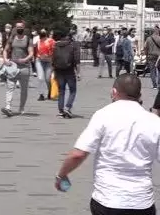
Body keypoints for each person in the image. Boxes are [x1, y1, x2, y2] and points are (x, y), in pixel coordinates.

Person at [55, 74, 160, 215]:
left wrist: (61, 175)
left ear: (113, 92)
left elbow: (78, 154)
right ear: (139, 95)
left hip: (108, 199)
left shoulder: (103, 115)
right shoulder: (154, 122)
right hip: (141, 202)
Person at [1, 21, 33, 117]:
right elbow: (5, 50)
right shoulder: (12, 38)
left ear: (24, 28)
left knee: (24, 89)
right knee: (10, 87)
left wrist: (25, 59)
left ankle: (21, 108)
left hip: (24, 67)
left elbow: (31, 53)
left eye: (21, 27)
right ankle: (8, 107)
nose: (19, 28)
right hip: (13, 66)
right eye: (17, 27)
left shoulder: (28, 39)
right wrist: (5, 59)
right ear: (15, 28)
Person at [52, 30, 81, 118]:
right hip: (69, 70)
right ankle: (67, 107)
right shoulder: (73, 45)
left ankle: (61, 111)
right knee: (73, 90)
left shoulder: (56, 45)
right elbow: (77, 60)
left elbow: (53, 59)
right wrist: (78, 73)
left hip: (58, 70)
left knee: (61, 91)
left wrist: (53, 70)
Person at [35, 29, 55, 101]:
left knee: (47, 79)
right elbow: (36, 51)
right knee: (40, 78)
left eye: (43, 33)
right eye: (41, 33)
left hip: (49, 61)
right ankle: (41, 94)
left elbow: (54, 51)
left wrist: (49, 56)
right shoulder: (38, 41)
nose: (42, 35)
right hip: (39, 61)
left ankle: (50, 91)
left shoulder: (51, 41)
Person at [144, 25, 160, 90]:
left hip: (150, 56)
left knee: (152, 71)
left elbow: (145, 48)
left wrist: (146, 56)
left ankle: (154, 85)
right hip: (159, 57)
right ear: (158, 31)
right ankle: (159, 84)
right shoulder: (159, 38)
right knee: (159, 70)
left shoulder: (148, 38)